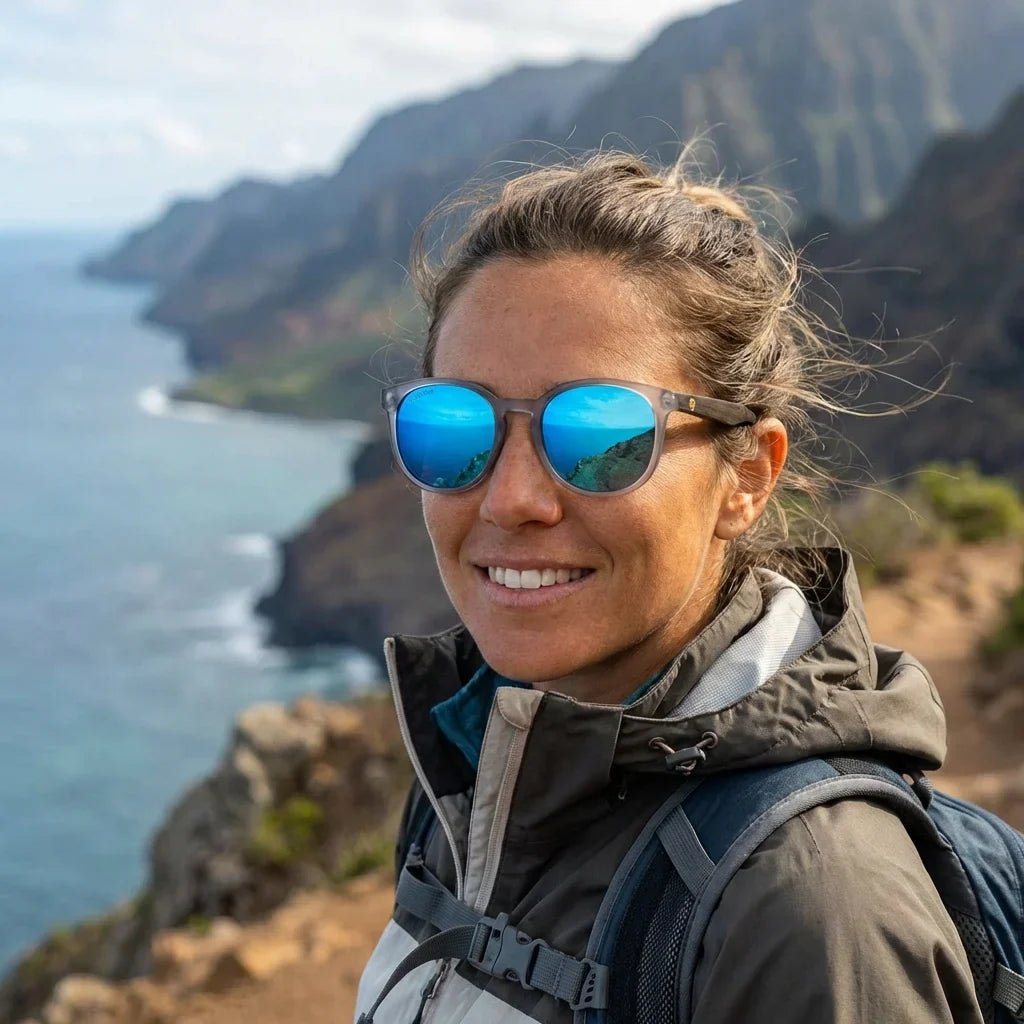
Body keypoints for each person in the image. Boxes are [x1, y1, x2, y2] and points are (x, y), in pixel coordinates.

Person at [354, 152, 984, 1023]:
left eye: (599, 438)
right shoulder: (474, 767)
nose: (511, 499)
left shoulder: (810, 904)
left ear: (747, 477)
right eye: (455, 426)